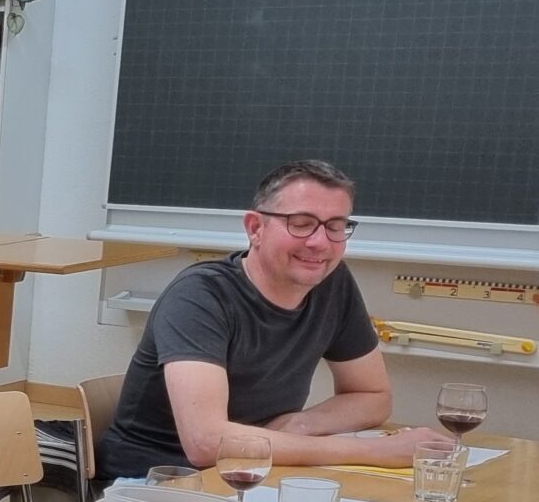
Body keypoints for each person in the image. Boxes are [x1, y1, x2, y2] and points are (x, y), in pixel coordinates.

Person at [97, 160, 444, 476]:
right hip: (159, 480)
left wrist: (302, 424)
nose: (320, 242)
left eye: (336, 227)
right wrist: (373, 452)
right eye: (301, 224)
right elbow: (205, 442)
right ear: (255, 228)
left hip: (257, 467)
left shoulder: (333, 283)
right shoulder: (200, 295)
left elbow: (373, 395)